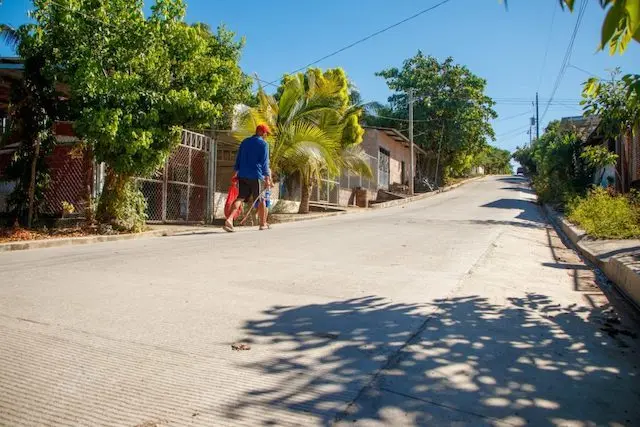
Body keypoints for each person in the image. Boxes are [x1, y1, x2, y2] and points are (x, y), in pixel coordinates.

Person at [224, 124, 272, 232]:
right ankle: (262, 223)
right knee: (261, 199)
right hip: (256, 175)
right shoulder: (264, 144)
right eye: (266, 134)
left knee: (240, 197)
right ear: (262, 132)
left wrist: (236, 172)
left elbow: (238, 158)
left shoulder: (245, 142)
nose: (266, 136)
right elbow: (265, 163)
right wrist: (267, 178)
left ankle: (230, 219)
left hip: (243, 174)